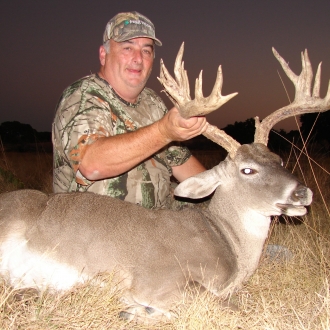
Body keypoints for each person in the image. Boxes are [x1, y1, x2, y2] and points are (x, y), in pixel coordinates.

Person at [52, 11, 207, 209]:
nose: (138, 59)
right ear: (103, 54)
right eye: (127, 48)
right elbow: (92, 164)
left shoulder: (153, 102)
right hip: (93, 228)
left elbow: (180, 163)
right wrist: (163, 131)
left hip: (157, 224)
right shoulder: (82, 96)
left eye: (146, 51)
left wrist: (222, 190)